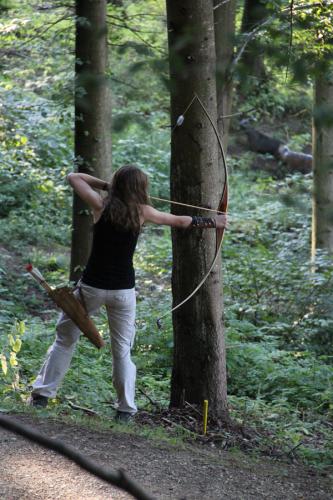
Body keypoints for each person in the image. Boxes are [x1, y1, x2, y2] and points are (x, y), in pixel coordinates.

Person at [29, 165, 228, 421]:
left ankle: (42, 396)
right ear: (140, 188)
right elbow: (179, 221)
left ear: (117, 184)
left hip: (91, 288)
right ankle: (125, 410)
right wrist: (214, 221)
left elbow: (73, 177)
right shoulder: (142, 212)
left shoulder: (100, 205)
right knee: (122, 350)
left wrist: (107, 187)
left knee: (65, 339)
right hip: (123, 291)